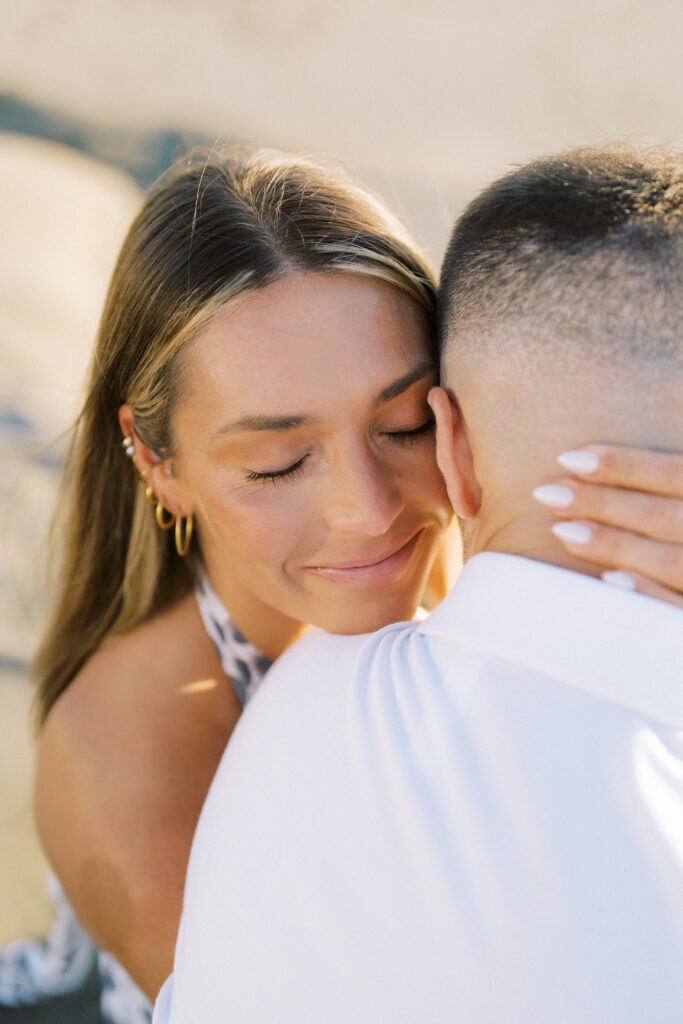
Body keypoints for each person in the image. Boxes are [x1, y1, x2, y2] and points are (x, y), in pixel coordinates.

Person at [3, 146, 681, 1023]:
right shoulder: (127, 756)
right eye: (280, 464)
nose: (366, 509)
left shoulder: (481, 563)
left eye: (402, 426)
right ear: (156, 461)